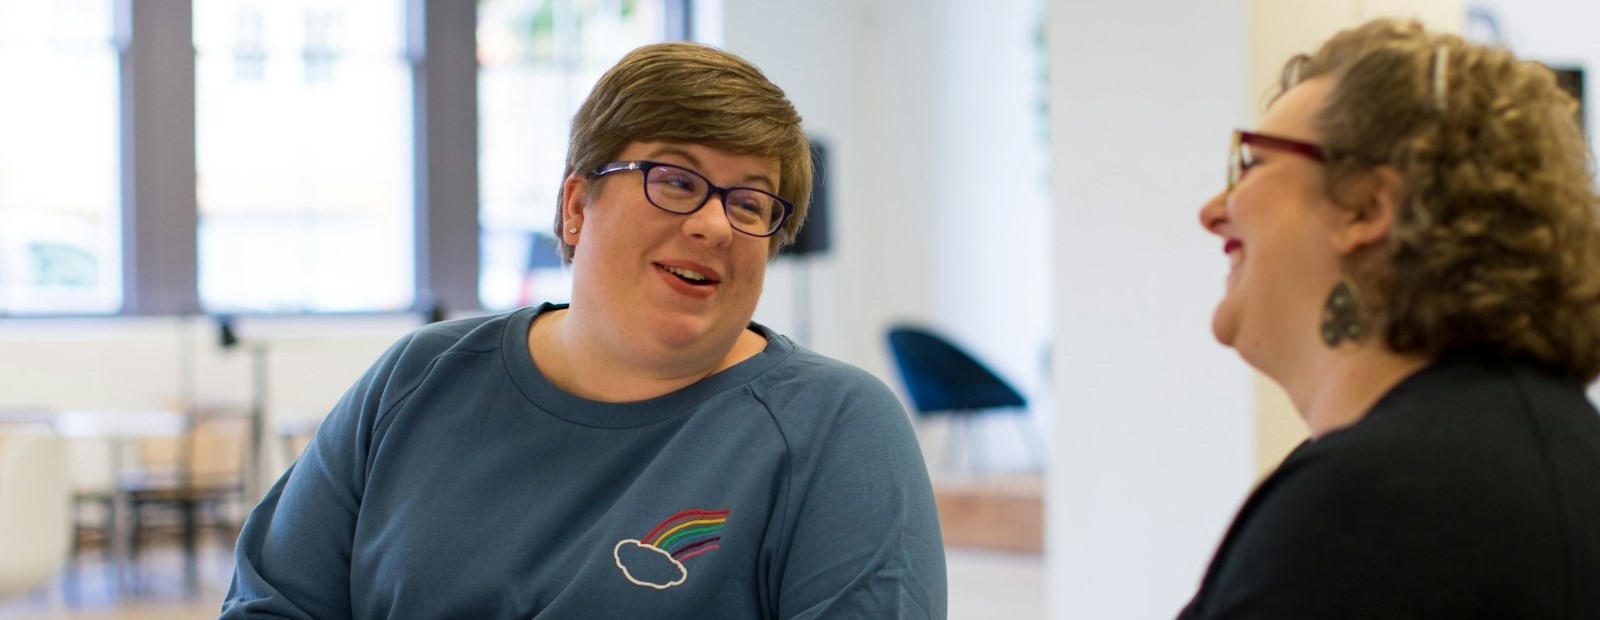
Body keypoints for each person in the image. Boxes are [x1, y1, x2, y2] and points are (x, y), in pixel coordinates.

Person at [222, 42, 947, 619]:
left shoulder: (835, 429)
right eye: (676, 180)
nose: (712, 223)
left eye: (751, 202)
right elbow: (272, 605)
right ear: (577, 206)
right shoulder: (418, 377)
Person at [1182, 18, 1600, 619]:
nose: (1213, 211)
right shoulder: (1556, 448)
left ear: (1366, 207)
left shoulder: (1372, 501)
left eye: (1250, 164)